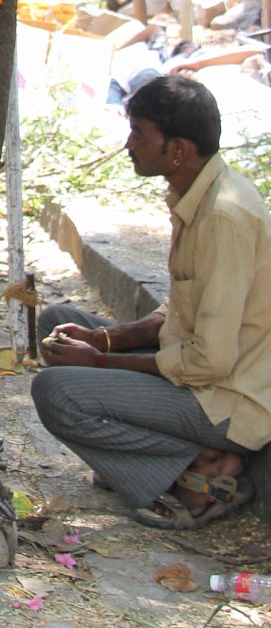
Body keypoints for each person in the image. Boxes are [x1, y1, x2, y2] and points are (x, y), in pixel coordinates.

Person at [31, 75, 271, 529]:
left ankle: (201, 478)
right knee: (58, 323)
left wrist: (100, 360)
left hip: (228, 402)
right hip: (201, 376)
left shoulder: (224, 215)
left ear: (177, 149)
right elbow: (177, 312)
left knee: (55, 391)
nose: (129, 144)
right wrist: (102, 338)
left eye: (139, 133)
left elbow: (210, 361)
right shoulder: (197, 193)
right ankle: (162, 460)